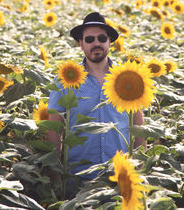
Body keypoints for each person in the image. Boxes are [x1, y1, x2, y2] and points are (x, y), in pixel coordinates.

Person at [47, 12, 145, 181]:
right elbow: (54, 130)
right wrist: (55, 175)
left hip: (120, 175)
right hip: (77, 176)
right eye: (90, 39)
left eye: (101, 38)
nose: (96, 43)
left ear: (109, 42)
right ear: (81, 44)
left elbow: (138, 128)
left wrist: (141, 170)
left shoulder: (128, 78)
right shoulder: (64, 80)